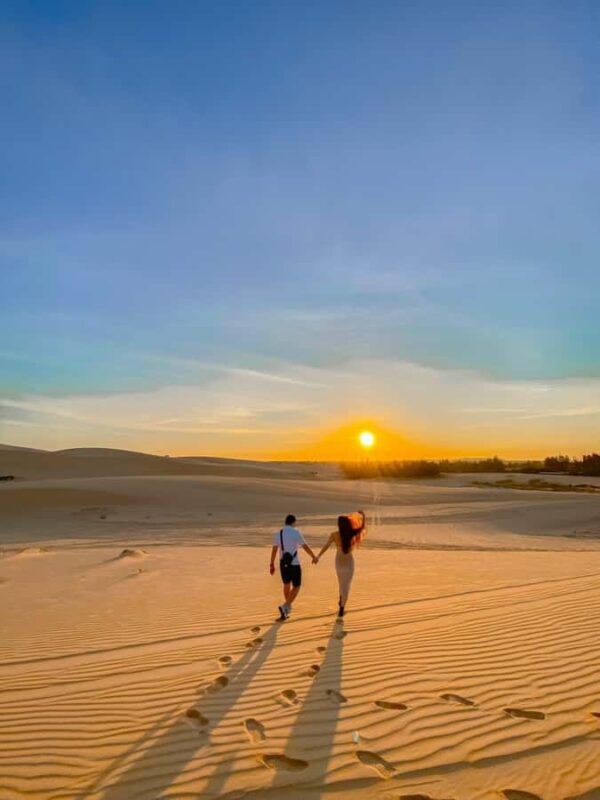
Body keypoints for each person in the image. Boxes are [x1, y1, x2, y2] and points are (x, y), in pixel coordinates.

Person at [316, 510, 366, 617]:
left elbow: (326, 546)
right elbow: (362, 527)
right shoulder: (346, 533)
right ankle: (342, 606)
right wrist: (363, 516)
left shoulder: (337, 534)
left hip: (342, 562)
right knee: (344, 585)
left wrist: (318, 556)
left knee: (344, 585)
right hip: (345, 563)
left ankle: (342, 603)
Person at [270, 514, 318, 620]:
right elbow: (305, 546)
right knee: (297, 586)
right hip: (294, 564)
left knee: (286, 584)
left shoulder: (279, 533)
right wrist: (313, 556)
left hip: (283, 564)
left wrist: (272, 564)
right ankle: (285, 606)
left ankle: (286, 608)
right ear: (293, 522)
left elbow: (274, 549)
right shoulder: (296, 532)